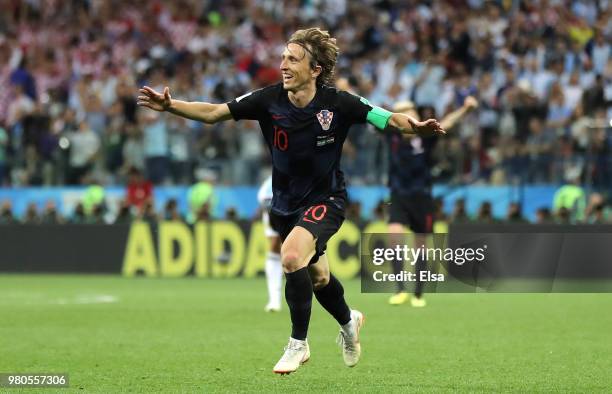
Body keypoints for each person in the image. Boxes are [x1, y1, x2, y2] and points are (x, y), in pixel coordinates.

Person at [138, 27, 445, 374]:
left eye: (293, 59)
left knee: (290, 257)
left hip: (327, 199)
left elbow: (384, 116)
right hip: (285, 204)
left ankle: (297, 344)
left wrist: (414, 127)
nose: (283, 64)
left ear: (315, 69)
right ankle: (349, 322)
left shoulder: (339, 103)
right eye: (283, 57)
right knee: (319, 279)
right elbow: (213, 112)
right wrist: (171, 106)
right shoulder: (268, 100)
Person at [386, 97, 478, 307]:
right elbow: (367, 113)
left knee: (421, 246)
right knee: (394, 237)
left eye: (411, 112)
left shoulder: (426, 136)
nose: (408, 116)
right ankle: (400, 289)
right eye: (403, 112)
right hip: (398, 195)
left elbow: (447, 123)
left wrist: (464, 109)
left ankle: (418, 294)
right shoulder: (391, 136)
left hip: (422, 197)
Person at [257, 175, 283, 312]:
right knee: (274, 247)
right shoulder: (266, 189)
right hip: (276, 206)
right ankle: (274, 299)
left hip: (298, 207)